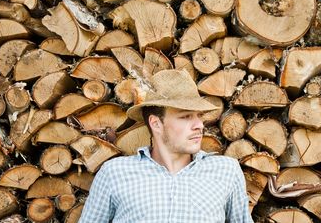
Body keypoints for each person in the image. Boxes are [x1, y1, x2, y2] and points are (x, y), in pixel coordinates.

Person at [78, 69, 254, 223]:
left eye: (199, 116)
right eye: (185, 117)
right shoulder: (114, 173)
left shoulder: (226, 171)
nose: (199, 125)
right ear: (156, 124)